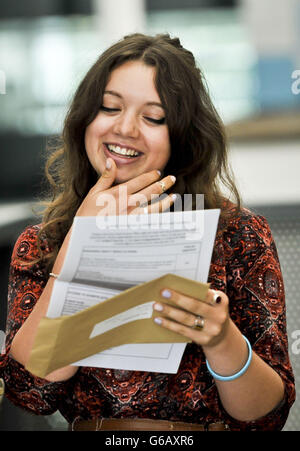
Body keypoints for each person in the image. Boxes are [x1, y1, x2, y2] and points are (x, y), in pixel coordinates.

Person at [0, 33, 295, 431]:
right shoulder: (43, 242)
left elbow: (267, 418)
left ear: (183, 135)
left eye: (153, 117)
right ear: (85, 119)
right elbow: (29, 392)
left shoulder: (239, 235)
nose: (125, 128)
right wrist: (80, 243)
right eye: (109, 108)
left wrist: (221, 339)